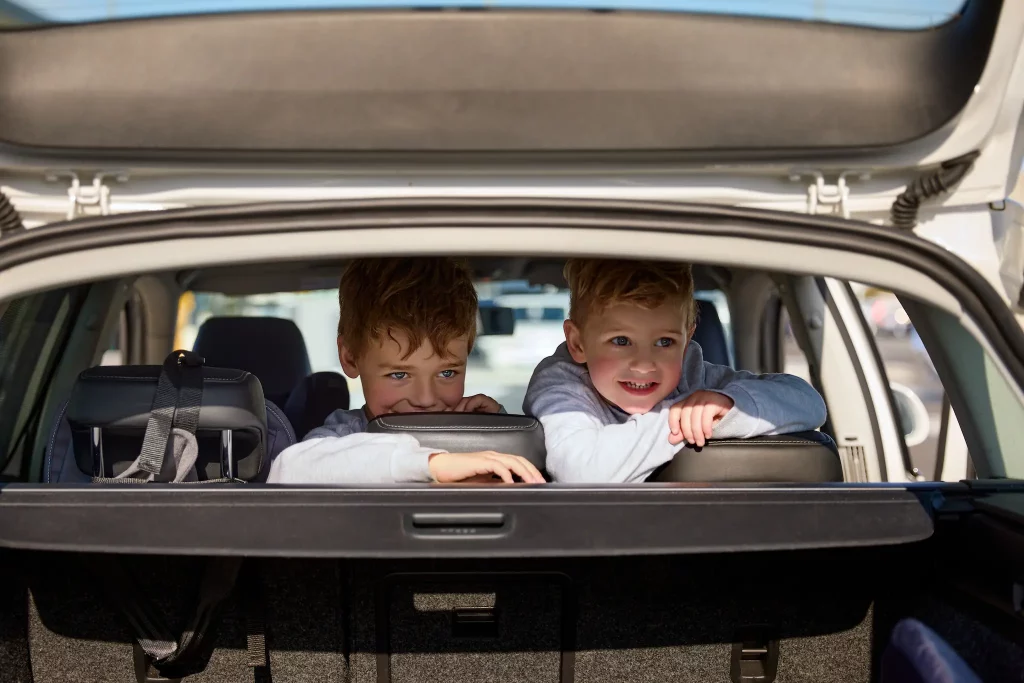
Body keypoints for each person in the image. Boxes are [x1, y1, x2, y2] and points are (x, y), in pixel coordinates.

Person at [523, 258, 826, 483]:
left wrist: (726, 406)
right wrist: (678, 418)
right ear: (577, 343)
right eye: (621, 340)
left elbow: (810, 403)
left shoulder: (693, 377)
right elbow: (582, 472)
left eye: (665, 341)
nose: (644, 363)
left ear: (686, 340)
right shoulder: (562, 387)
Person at [269, 257, 544, 484]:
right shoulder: (348, 434)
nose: (425, 398)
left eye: (447, 373)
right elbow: (289, 469)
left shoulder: (474, 425)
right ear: (350, 358)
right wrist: (431, 464)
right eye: (399, 375)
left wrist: (499, 431)